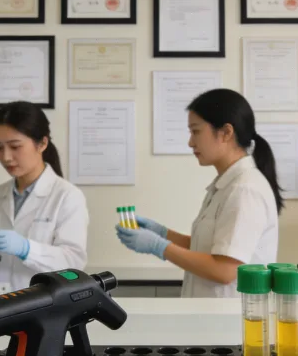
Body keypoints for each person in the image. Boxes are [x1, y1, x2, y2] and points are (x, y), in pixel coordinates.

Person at [115, 88, 282, 298]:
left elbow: (225, 270)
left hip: (229, 315)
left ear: (226, 132)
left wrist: (159, 247)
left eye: (196, 131)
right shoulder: (226, 185)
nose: (190, 142)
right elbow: (209, 249)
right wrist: (163, 233)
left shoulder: (244, 189)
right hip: (210, 312)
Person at [0, 101, 88, 291]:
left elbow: (73, 263)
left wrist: (27, 249)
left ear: (42, 144)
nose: (6, 157)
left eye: (15, 146)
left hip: (43, 303)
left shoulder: (67, 196)